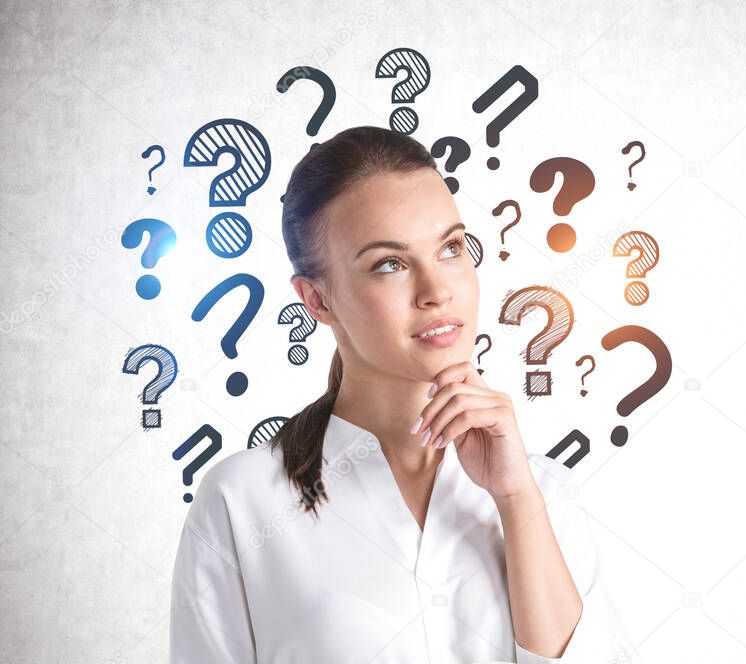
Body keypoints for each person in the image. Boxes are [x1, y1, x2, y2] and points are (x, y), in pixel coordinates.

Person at [169, 125, 643, 663]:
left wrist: (517, 502)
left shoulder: (543, 492)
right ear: (316, 299)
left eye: (451, 247)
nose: (438, 290)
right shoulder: (242, 502)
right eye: (389, 264)